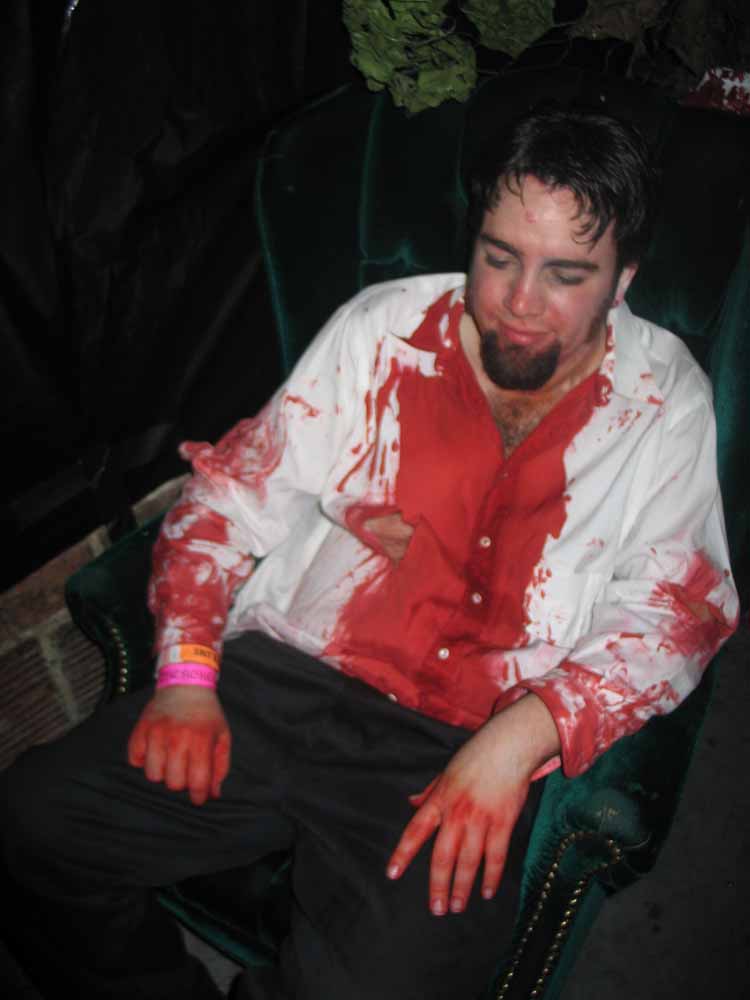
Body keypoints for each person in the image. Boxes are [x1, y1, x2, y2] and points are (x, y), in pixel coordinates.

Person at [1, 105, 739, 1000]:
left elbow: (676, 612)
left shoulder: (664, 401)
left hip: (462, 739)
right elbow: (230, 499)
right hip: (287, 682)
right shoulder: (381, 330)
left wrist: (518, 740)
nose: (518, 301)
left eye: (566, 274)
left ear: (622, 281)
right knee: (31, 823)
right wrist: (188, 673)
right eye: (499, 256)